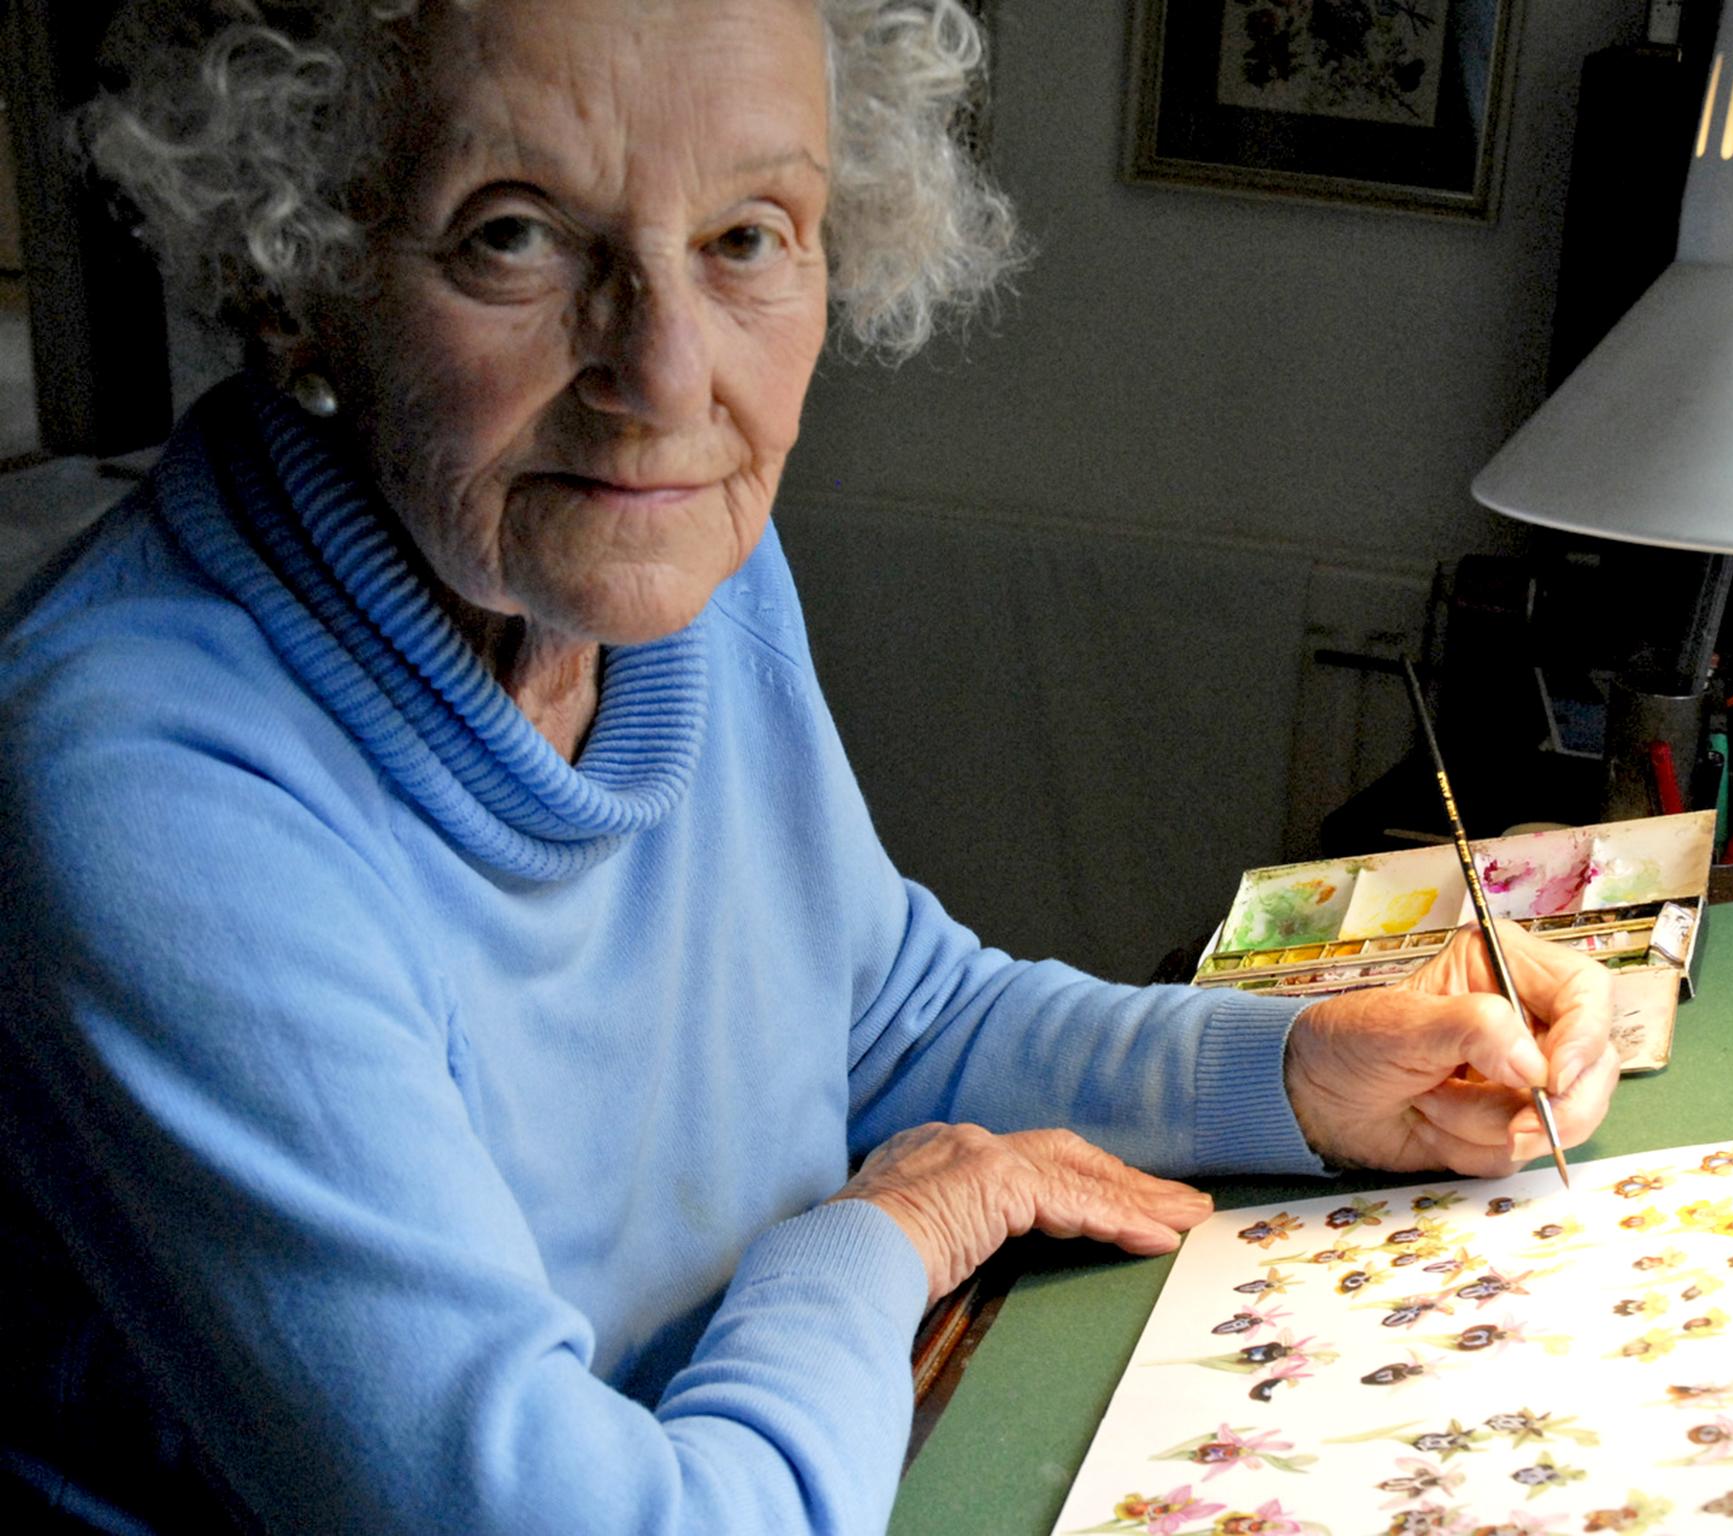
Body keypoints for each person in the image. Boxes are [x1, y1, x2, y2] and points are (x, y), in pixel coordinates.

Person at [0, 0, 1621, 1530]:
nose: (667, 378)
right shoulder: (152, 793)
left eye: (746, 238)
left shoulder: (661, 565)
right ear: (302, 272)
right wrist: (875, 1244)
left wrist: (1296, 1072)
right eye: (514, 232)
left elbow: (888, 1014)